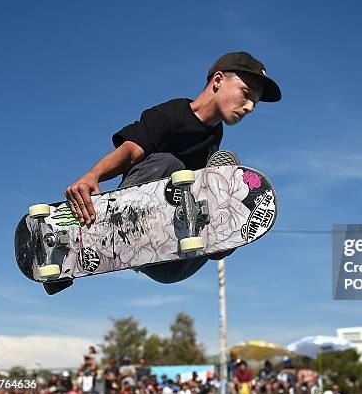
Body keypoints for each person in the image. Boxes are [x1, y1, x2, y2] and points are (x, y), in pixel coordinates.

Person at [44, 51, 281, 295]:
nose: (251, 106)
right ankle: (75, 250)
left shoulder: (215, 136)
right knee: (170, 165)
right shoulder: (173, 114)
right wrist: (93, 175)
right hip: (132, 215)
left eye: (256, 102)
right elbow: (130, 152)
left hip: (170, 263)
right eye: (246, 93)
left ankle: (212, 236)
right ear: (218, 81)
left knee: (225, 208)